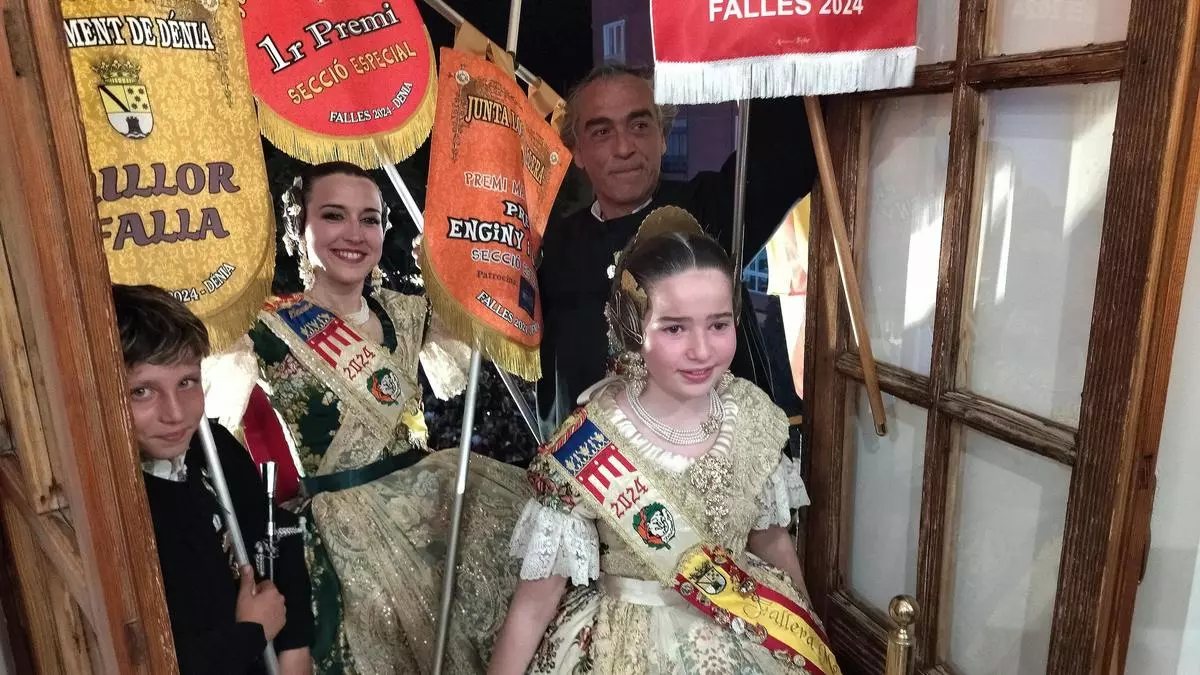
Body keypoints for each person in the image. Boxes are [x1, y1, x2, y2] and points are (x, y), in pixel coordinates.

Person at [209, 162, 531, 674]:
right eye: (334, 216)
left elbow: (483, 318)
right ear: (299, 227)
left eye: (370, 219)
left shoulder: (410, 312)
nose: (354, 234)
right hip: (342, 533)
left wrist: (455, 266)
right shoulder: (264, 329)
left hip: (433, 510)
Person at [489, 207, 838, 675]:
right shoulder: (590, 440)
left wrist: (809, 637)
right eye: (674, 327)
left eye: (718, 324)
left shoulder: (751, 414)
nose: (702, 350)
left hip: (747, 625)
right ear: (633, 327)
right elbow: (535, 604)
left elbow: (772, 540)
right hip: (625, 648)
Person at [537, 63, 818, 435]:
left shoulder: (708, 211)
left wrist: (768, 52)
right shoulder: (554, 246)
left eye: (640, 125)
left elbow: (786, 152)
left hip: (710, 456)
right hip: (590, 460)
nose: (624, 147)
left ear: (663, 137)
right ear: (578, 152)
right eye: (602, 132)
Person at [115, 284, 313, 675]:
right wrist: (250, 634)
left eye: (186, 382)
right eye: (142, 391)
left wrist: (295, 647)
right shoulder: (115, 500)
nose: (175, 414)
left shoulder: (213, 446)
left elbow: (275, 533)